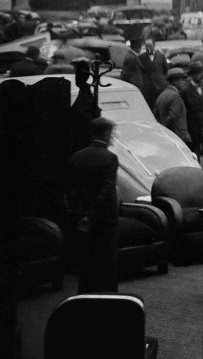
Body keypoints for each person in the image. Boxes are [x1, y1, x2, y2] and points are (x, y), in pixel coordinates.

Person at [67, 117, 120, 293]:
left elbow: (72, 190)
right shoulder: (110, 158)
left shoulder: (77, 156)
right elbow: (107, 191)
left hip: (81, 218)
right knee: (106, 262)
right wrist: (92, 215)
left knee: (87, 261)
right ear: (106, 133)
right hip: (105, 218)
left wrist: (82, 215)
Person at [156, 67, 190, 145]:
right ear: (175, 81)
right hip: (178, 136)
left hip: (168, 136)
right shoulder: (175, 96)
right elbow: (173, 117)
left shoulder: (162, 95)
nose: (184, 82)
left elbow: (156, 115)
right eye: (182, 79)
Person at [137, 38, 168, 109]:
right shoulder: (141, 57)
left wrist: (163, 81)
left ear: (154, 45)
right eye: (146, 46)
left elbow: (166, 70)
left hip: (160, 86)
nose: (148, 48)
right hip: (148, 87)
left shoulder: (160, 56)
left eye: (150, 46)